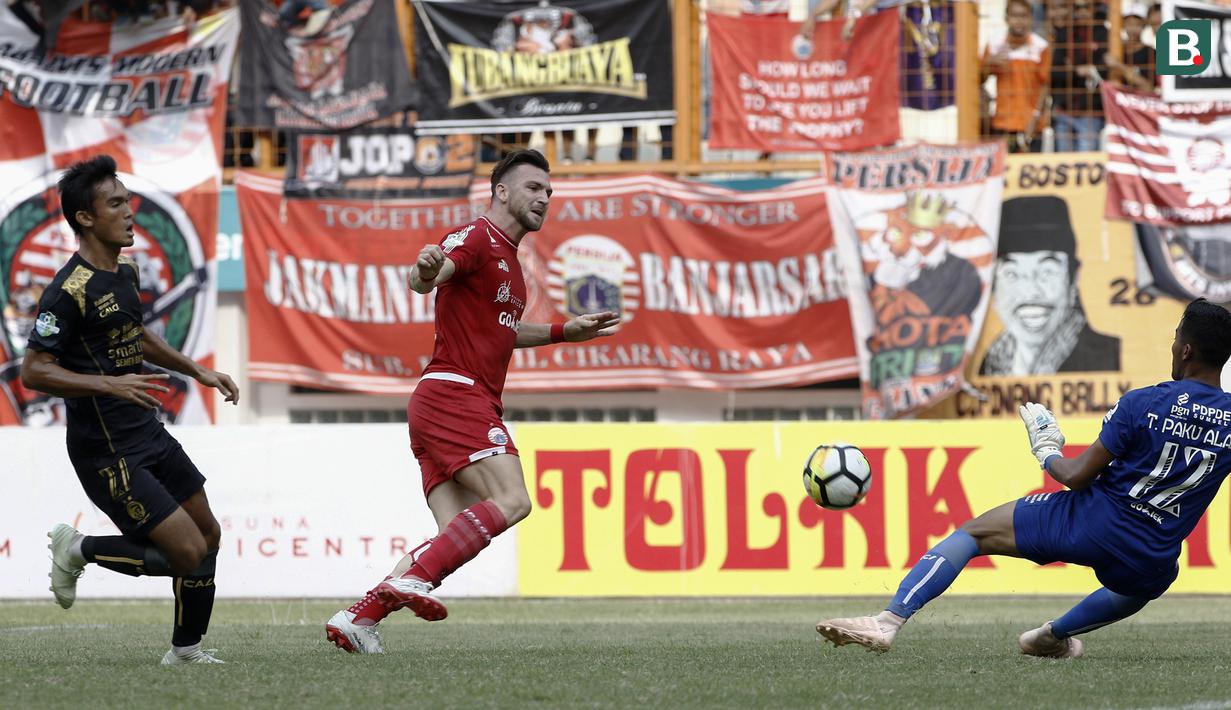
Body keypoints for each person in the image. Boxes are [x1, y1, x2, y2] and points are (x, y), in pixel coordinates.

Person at [817, 298, 1231, 657]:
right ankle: (1053, 635)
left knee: (974, 534)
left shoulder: (1146, 402)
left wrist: (1047, 451)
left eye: (1177, 337)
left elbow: (1076, 476)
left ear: (1186, 349)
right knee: (1149, 583)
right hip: (1151, 552)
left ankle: (888, 621)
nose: (1173, 345)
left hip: (1091, 522)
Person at [325, 150, 620, 654]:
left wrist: (561, 333)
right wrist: (425, 270)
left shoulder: (511, 263)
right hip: (456, 396)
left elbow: (501, 331)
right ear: (502, 191)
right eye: (533, 188)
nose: (544, 198)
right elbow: (431, 275)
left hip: (439, 402)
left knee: (450, 535)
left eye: (548, 192)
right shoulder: (478, 238)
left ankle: (360, 617)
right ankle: (413, 579)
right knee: (514, 500)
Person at [20, 155, 240, 665]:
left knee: (209, 537)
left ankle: (186, 651)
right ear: (86, 218)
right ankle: (77, 549)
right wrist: (107, 384)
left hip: (148, 432)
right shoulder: (66, 292)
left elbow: (133, 334)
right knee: (185, 553)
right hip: (106, 450)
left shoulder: (125, 271)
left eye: (128, 199)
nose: (129, 210)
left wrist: (197, 370)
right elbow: (34, 370)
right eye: (115, 202)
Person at [979, 196, 1120, 376]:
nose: (1030, 292)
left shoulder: (1107, 357)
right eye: (1011, 274)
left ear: (1073, 278)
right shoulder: (989, 365)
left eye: (1046, 272)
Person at [982, 0, 1051, 153]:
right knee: (1003, 174)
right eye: (1014, 15)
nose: (1019, 20)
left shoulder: (1041, 47)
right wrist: (988, 63)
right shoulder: (994, 44)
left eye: (1023, 16)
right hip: (1003, 123)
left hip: (1032, 125)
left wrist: (1035, 118)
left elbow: (1044, 86)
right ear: (1006, 18)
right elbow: (979, 80)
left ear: (1031, 18)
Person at [1049, 0, 1108, 152]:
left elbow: (1105, 71)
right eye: (1077, 8)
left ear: (1094, 8)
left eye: (1086, 7)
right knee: (1064, 164)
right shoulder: (1064, 33)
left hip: (1091, 111)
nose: (1082, 12)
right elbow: (1055, 72)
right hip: (1065, 109)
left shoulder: (1104, 34)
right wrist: (1079, 70)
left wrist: (1071, 67)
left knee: (1085, 165)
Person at [1106, 4, 1156, 94]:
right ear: (1123, 25)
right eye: (1129, 24)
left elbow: (1148, 87)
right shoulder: (1115, 50)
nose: (1132, 29)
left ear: (1144, 25)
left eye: (1137, 24)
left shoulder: (1151, 53)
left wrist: (1119, 66)